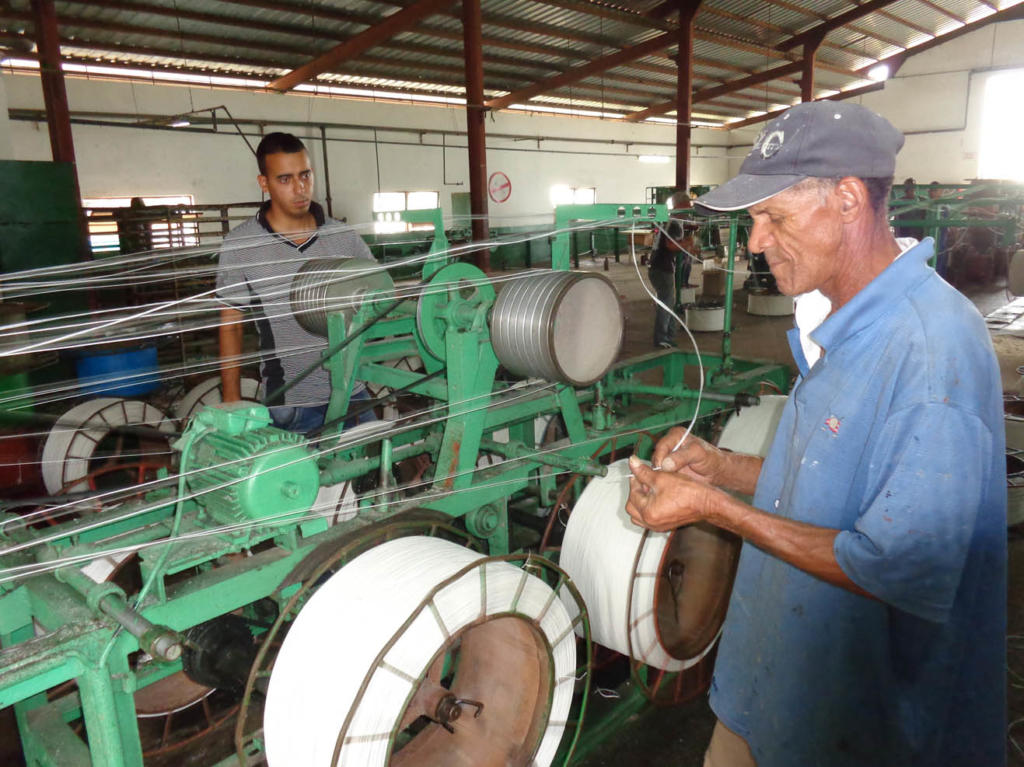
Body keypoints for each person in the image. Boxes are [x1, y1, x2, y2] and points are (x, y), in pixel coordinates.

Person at [625, 102, 1006, 767]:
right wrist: (717, 468)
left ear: (849, 201)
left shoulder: (929, 349)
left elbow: (898, 565)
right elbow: (830, 480)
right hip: (774, 692)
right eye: (753, 221)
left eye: (773, 217)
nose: (754, 242)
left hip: (863, 725)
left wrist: (715, 509)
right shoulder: (845, 322)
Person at [216, 132, 377, 433]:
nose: (300, 188)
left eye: (305, 175)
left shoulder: (343, 237)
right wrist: (231, 400)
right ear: (264, 183)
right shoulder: (241, 245)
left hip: (353, 394)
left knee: (376, 474)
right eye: (285, 179)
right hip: (291, 405)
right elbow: (231, 325)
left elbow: (378, 295)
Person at [649, 217, 698, 348]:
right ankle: (661, 338)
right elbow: (670, 245)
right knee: (666, 303)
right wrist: (687, 242)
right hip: (662, 269)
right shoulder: (674, 224)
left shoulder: (673, 223)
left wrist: (688, 246)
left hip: (659, 268)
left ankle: (669, 335)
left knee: (668, 302)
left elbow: (674, 245)